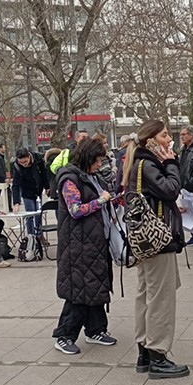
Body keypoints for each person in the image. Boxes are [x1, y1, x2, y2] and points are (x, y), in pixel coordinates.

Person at [123, 119, 189, 379]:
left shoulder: (137, 163)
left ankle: (144, 351)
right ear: (150, 140)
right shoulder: (149, 164)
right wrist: (172, 163)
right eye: (164, 135)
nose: (169, 139)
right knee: (160, 298)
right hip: (158, 240)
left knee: (146, 294)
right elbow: (171, 190)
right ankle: (158, 355)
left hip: (145, 241)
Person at [52, 138, 117, 355]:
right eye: (97, 160)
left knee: (96, 286)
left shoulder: (92, 175)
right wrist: (100, 201)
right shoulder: (69, 179)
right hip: (77, 245)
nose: (100, 164)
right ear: (87, 158)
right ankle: (64, 335)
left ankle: (96, 329)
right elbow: (76, 210)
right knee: (78, 291)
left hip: (95, 241)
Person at [10, 147, 50, 242]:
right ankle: (31, 237)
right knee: (29, 214)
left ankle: (39, 235)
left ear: (29, 156)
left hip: (38, 188)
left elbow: (44, 172)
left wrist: (47, 186)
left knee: (38, 214)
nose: (24, 164)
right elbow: (15, 185)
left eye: (25, 161)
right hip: (26, 190)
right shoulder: (16, 165)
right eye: (21, 162)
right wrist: (16, 202)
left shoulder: (37, 158)